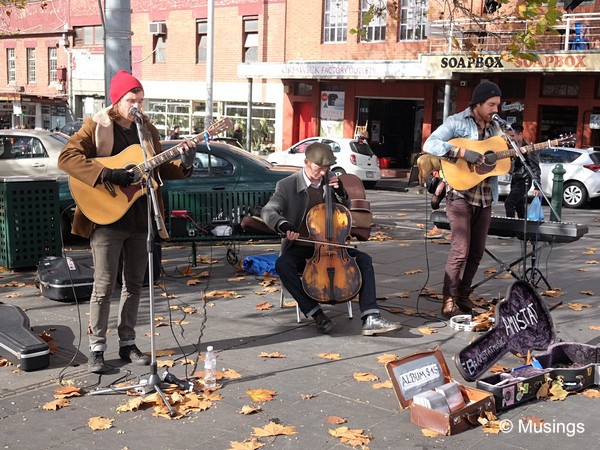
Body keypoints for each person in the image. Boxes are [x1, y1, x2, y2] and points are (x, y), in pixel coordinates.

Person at [58, 70, 196, 374]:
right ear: (117, 100)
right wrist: (109, 174)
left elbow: (160, 166)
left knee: (134, 284)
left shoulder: (147, 129)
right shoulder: (96, 125)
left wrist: (185, 162)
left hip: (140, 216)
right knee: (104, 285)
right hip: (106, 218)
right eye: (131, 100)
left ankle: (128, 342)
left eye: (141, 100)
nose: (137, 106)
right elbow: (67, 157)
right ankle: (96, 348)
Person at [261, 143, 403, 336]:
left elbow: (344, 210)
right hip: (302, 245)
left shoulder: (332, 182)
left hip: (334, 245)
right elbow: (269, 210)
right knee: (282, 264)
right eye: (318, 168)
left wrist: (341, 193)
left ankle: (371, 316)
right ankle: (316, 313)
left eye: (325, 169)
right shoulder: (287, 185)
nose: (322, 173)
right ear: (306, 162)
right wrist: (283, 225)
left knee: (364, 260)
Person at [423, 81, 502, 319]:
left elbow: (498, 160)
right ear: (478, 103)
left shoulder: (496, 129)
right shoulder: (456, 122)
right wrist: (461, 152)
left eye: (498, 105)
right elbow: (430, 144)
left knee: (477, 251)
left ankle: (463, 296)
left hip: (485, 197)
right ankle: (448, 300)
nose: (496, 109)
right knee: (460, 250)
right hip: (460, 195)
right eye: (491, 104)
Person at [504, 123, 541, 218]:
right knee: (519, 205)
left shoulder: (528, 149)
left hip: (524, 180)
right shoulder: (511, 147)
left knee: (509, 203)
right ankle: (521, 229)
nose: (510, 138)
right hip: (515, 179)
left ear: (520, 134)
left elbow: (535, 168)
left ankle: (511, 227)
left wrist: (537, 186)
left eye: (512, 136)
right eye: (509, 136)